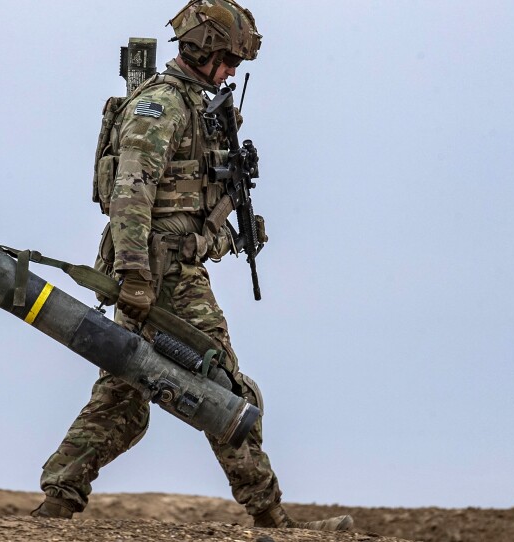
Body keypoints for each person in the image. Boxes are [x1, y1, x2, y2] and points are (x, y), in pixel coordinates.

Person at [32, 0, 353, 531]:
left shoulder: (192, 106)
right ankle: (271, 518)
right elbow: (130, 190)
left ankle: (57, 503)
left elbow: (180, 202)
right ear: (203, 50)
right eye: (228, 59)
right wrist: (134, 274)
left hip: (165, 269)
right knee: (225, 387)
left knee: (123, 395)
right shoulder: (162, 106)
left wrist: (228, 231)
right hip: (161, 276)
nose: (231, 71)